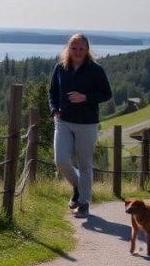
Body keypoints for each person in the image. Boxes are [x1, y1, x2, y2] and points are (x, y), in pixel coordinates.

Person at [48, 33, 113, 219]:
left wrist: (85, 97)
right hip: (63, 121)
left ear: (87, 50)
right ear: (68, 49)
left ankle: (83, 203)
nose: (77, 52)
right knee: (60, 160)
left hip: (87, 122)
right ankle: (78, 186)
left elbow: (106, 94)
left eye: (81, 49)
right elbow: (52, 92)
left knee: (85, 164)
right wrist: (54, 110)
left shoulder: (95, 69)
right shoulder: (60, 68)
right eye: (73, 48)